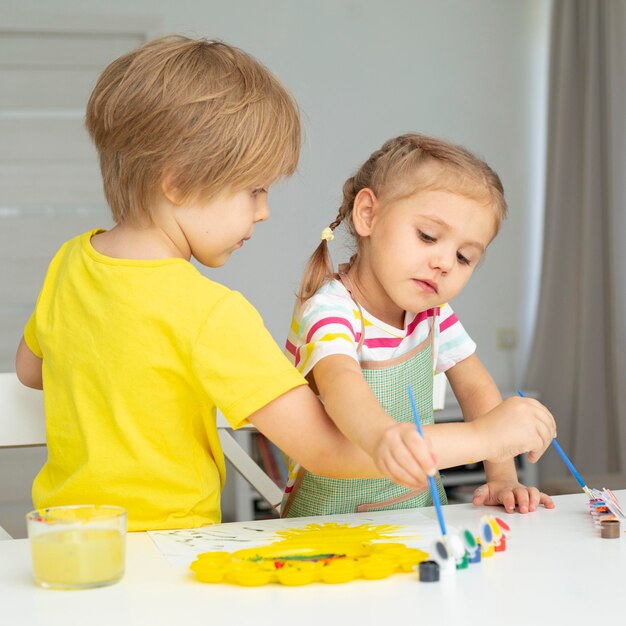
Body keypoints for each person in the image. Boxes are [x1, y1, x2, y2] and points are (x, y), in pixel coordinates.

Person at [14, 37, 438, 531]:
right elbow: (324, 450)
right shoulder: (209, 313)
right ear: (178, 181)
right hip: (167, 551)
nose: (264, 210)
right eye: (254, 189)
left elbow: (31, 370)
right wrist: (482, 440)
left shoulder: (70, 262)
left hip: (66, 544)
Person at [282, 133, 557, 517]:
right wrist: (384, 438)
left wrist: (502, 474)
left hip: (417, 515)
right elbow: (341, 383)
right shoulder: (330, 309)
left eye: (464, 257)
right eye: (428, 236)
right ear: (368, 215)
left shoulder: (433, 314)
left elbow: (476, 388)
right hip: (327, 526)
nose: (444, 262)